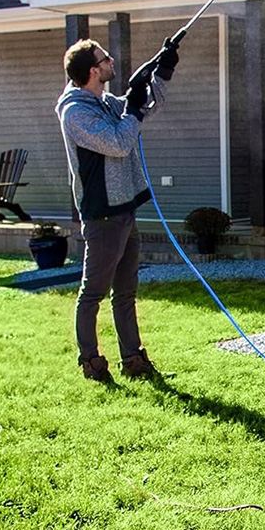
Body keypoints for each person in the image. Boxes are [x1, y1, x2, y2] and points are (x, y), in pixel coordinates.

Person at [55, 38, 179, 382]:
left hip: (124, 209)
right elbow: (119, 142)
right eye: (104, 58)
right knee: (92, 293)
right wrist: (135, 108)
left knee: (125, 293)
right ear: (94, 71)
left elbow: (142, 108)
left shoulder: (103, 101)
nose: (111, 61)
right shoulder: (76, 112)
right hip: (103, 214)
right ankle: (91, 363)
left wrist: (162, 71)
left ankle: (134, 360)